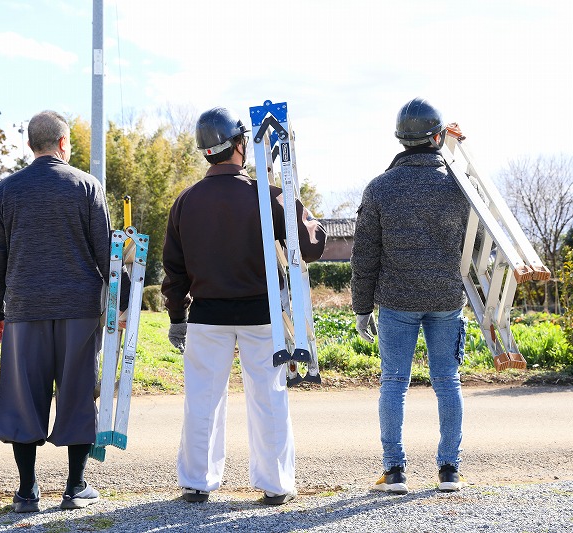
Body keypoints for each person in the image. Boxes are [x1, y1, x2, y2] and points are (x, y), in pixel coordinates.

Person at [162, 106, 326, 505]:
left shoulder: (185, 202)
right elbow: (310, 247)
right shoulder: (267, 195)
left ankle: (197, 483)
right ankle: (275, 485)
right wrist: (299, 206)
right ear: (240, 146)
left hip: (206, 316)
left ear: (205, 152)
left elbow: (175, 271)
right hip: (260, 314)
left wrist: (177, 318)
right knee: (269, 397)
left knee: (202, 399)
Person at [0, 110, 110, 513]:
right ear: (62, 143)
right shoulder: (87, 186)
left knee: (23, 397)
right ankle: (75, 488)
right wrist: (120, 308)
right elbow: (105, 253)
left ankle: (27, 492)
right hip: (80, 309)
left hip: (24, 309)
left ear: (29, 145)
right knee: (77, 395)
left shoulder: (6, 190)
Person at [351, 97, 469, 494]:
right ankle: (449, 470)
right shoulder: (459, 186)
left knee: (394, 381)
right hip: (447, 297)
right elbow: (478, 241)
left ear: (400, 139)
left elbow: (363, 256)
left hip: (397, 300)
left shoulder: (381, 187)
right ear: (437, 137)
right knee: (447, 381)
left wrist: (362, 308)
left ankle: (395, 472)